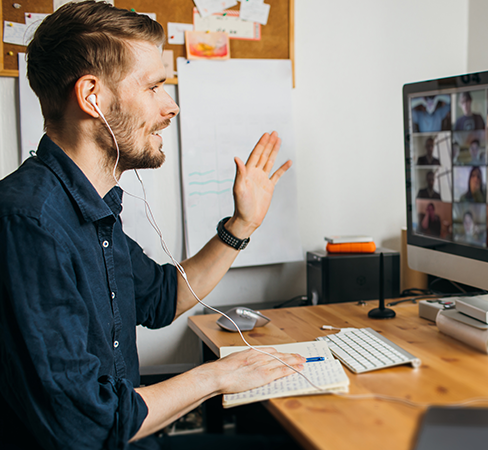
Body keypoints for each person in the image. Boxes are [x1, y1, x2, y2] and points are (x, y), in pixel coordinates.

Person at [0, 3, 305, 449]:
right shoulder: (30, 223)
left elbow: (162, 298)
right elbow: (87, 426)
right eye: (154, 87)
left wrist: (242, 224)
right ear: (92, 97)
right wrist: (216, 376)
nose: (171, 106)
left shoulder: (89, 206)